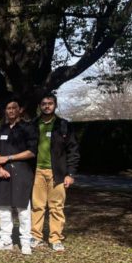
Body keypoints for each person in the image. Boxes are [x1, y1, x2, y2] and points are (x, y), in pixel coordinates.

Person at [31, 93, 80, 252]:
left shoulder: (64, 125)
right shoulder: (33, 124)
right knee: (37, 206)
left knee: (56, 207)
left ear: (55, 105)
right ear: (39, 105)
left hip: (57, 172)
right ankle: (35, 236)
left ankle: (55, 238)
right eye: (44, 103)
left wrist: (70, 174)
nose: (47, 106)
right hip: (37, 171)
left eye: (50, 103)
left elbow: (73, 151)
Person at [0, 99, 38, 255]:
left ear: (20, 110)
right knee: (3, 207)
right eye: (8, 108)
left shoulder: (28, 128)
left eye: (13, 108)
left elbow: (31, 152)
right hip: (2, 172)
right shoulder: (2, 129)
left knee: (22, 208)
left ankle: (25, 241)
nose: (10, 111)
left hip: (22, 172)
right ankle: (5, 240)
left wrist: (9, 158)